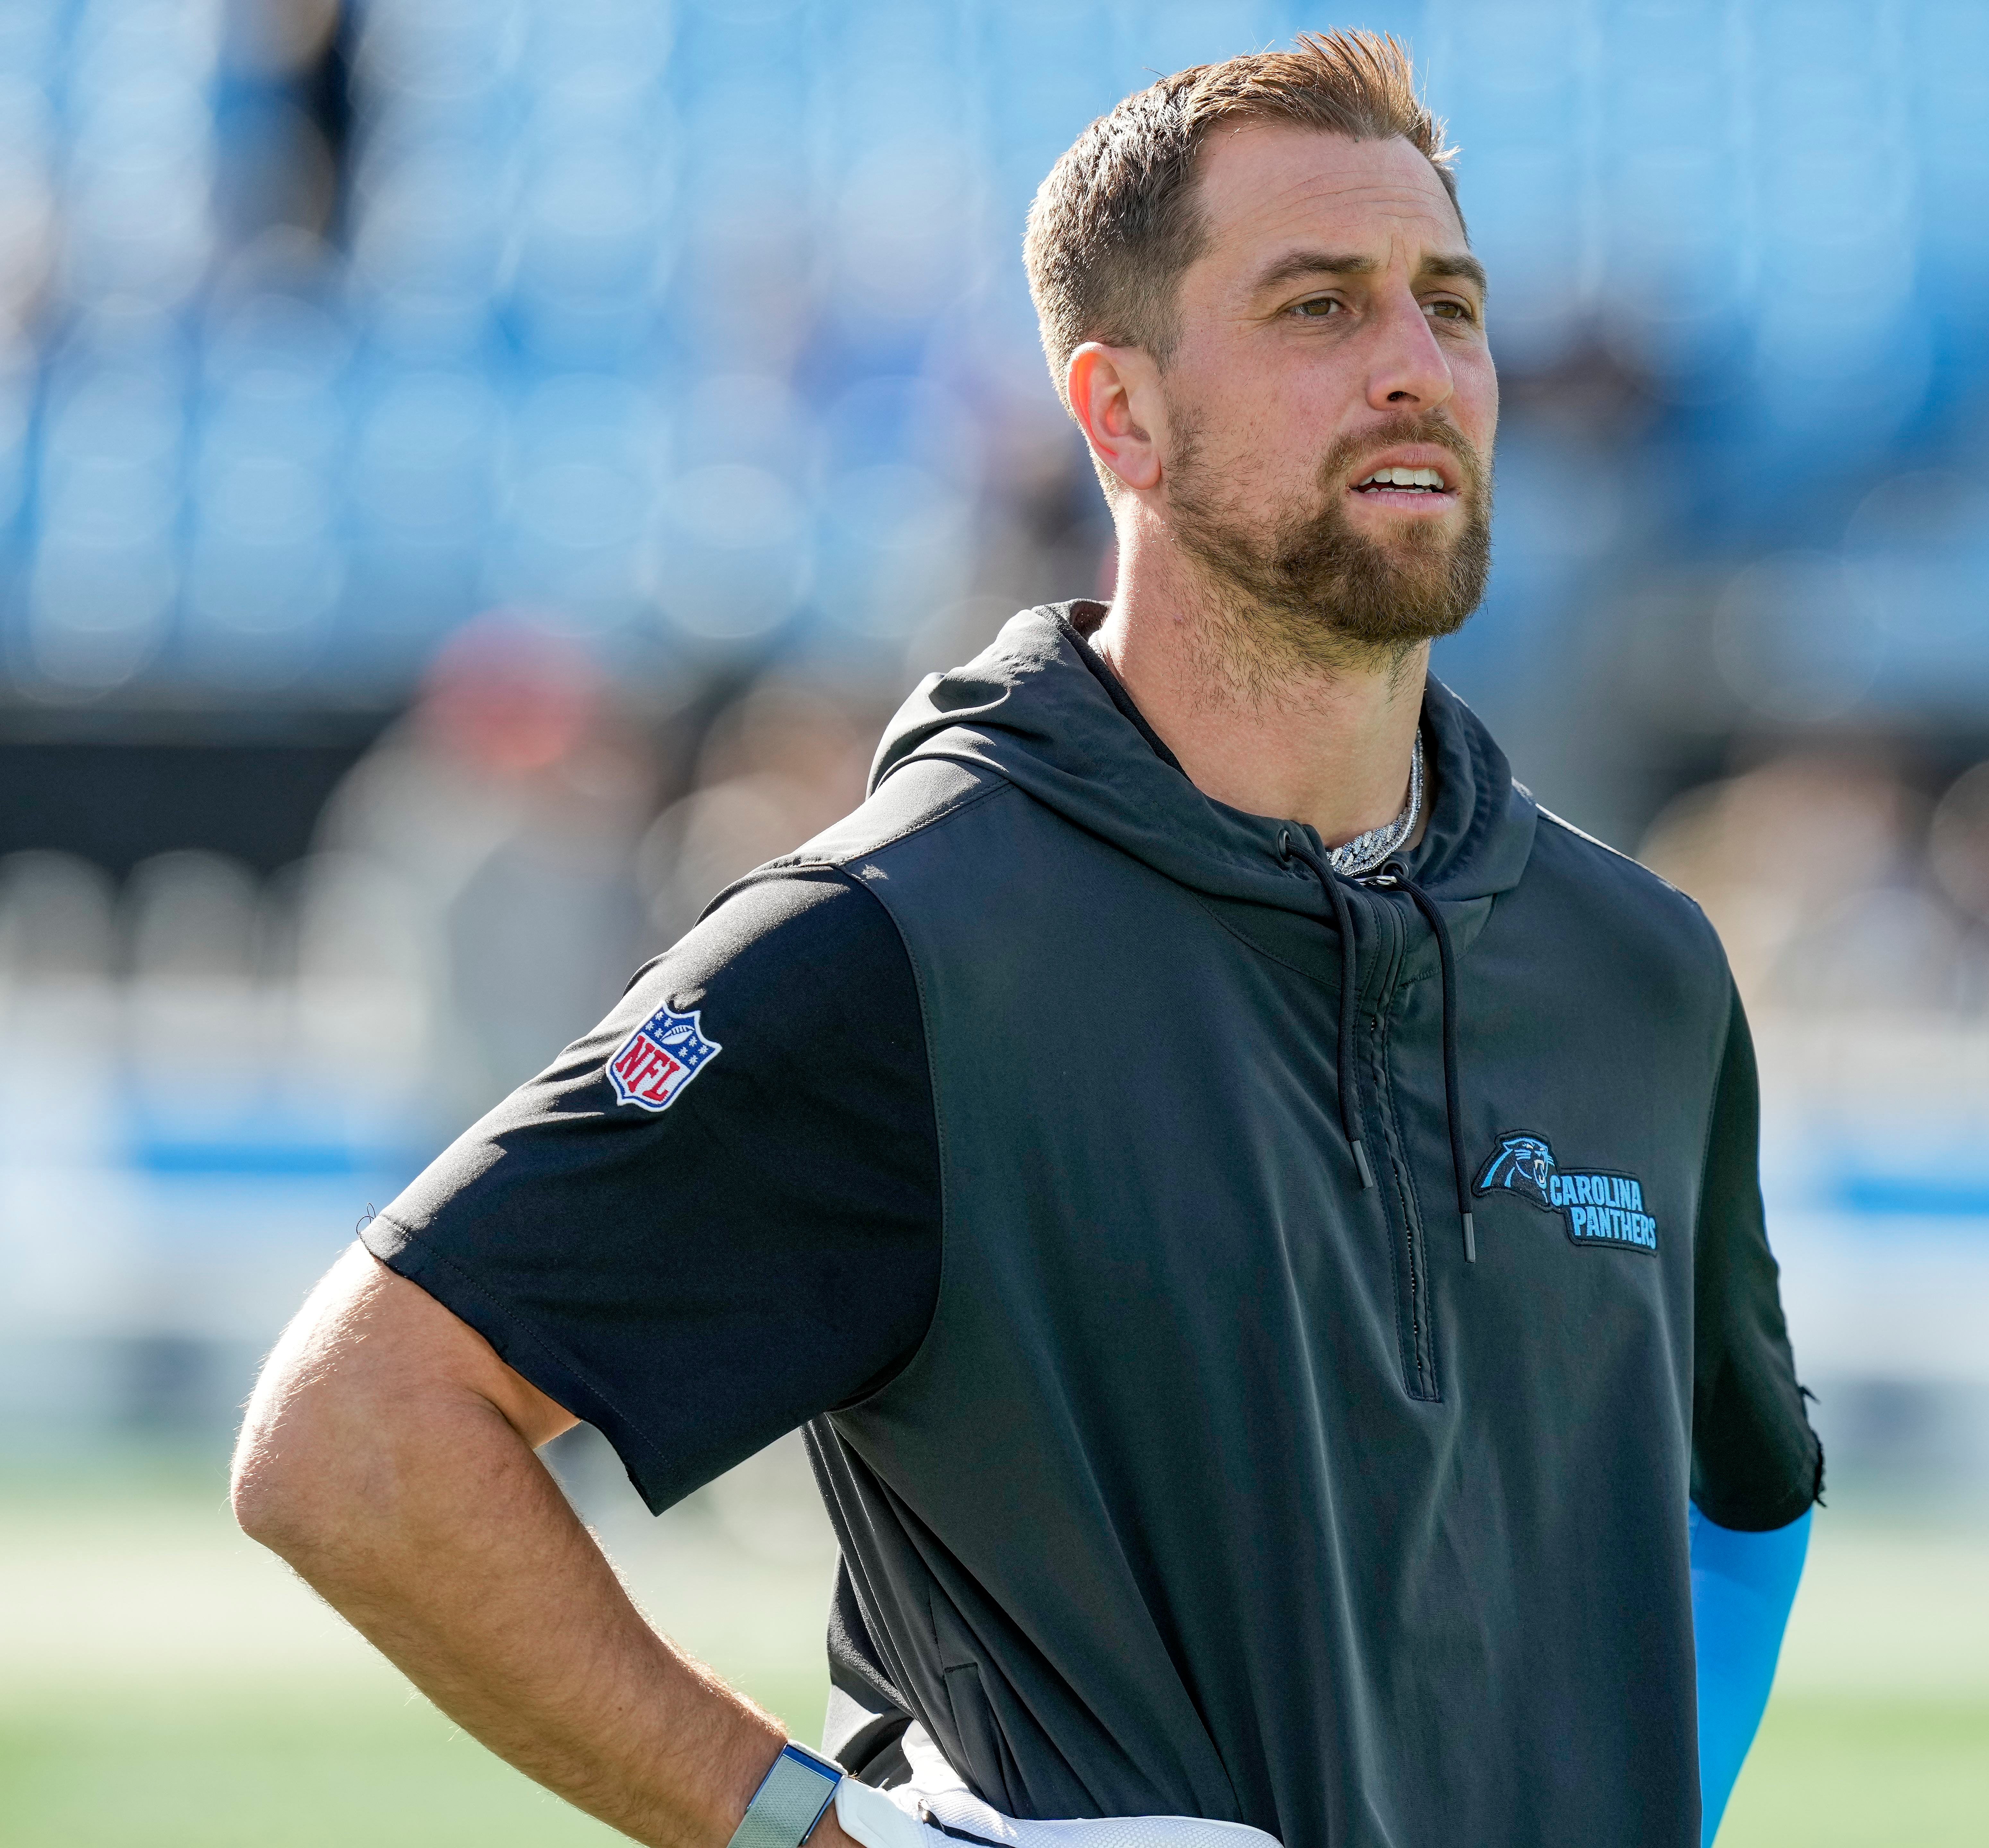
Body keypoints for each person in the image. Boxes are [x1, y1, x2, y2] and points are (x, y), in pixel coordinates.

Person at [232, 32, 1820, 1848]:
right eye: (1318, 307)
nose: (1416, 367)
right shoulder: (907, 944)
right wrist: (808, 1837)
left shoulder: (1640, 968)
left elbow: (1747, 1494)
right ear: (1119, 414)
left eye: (1450, 307)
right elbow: (358, 1439)